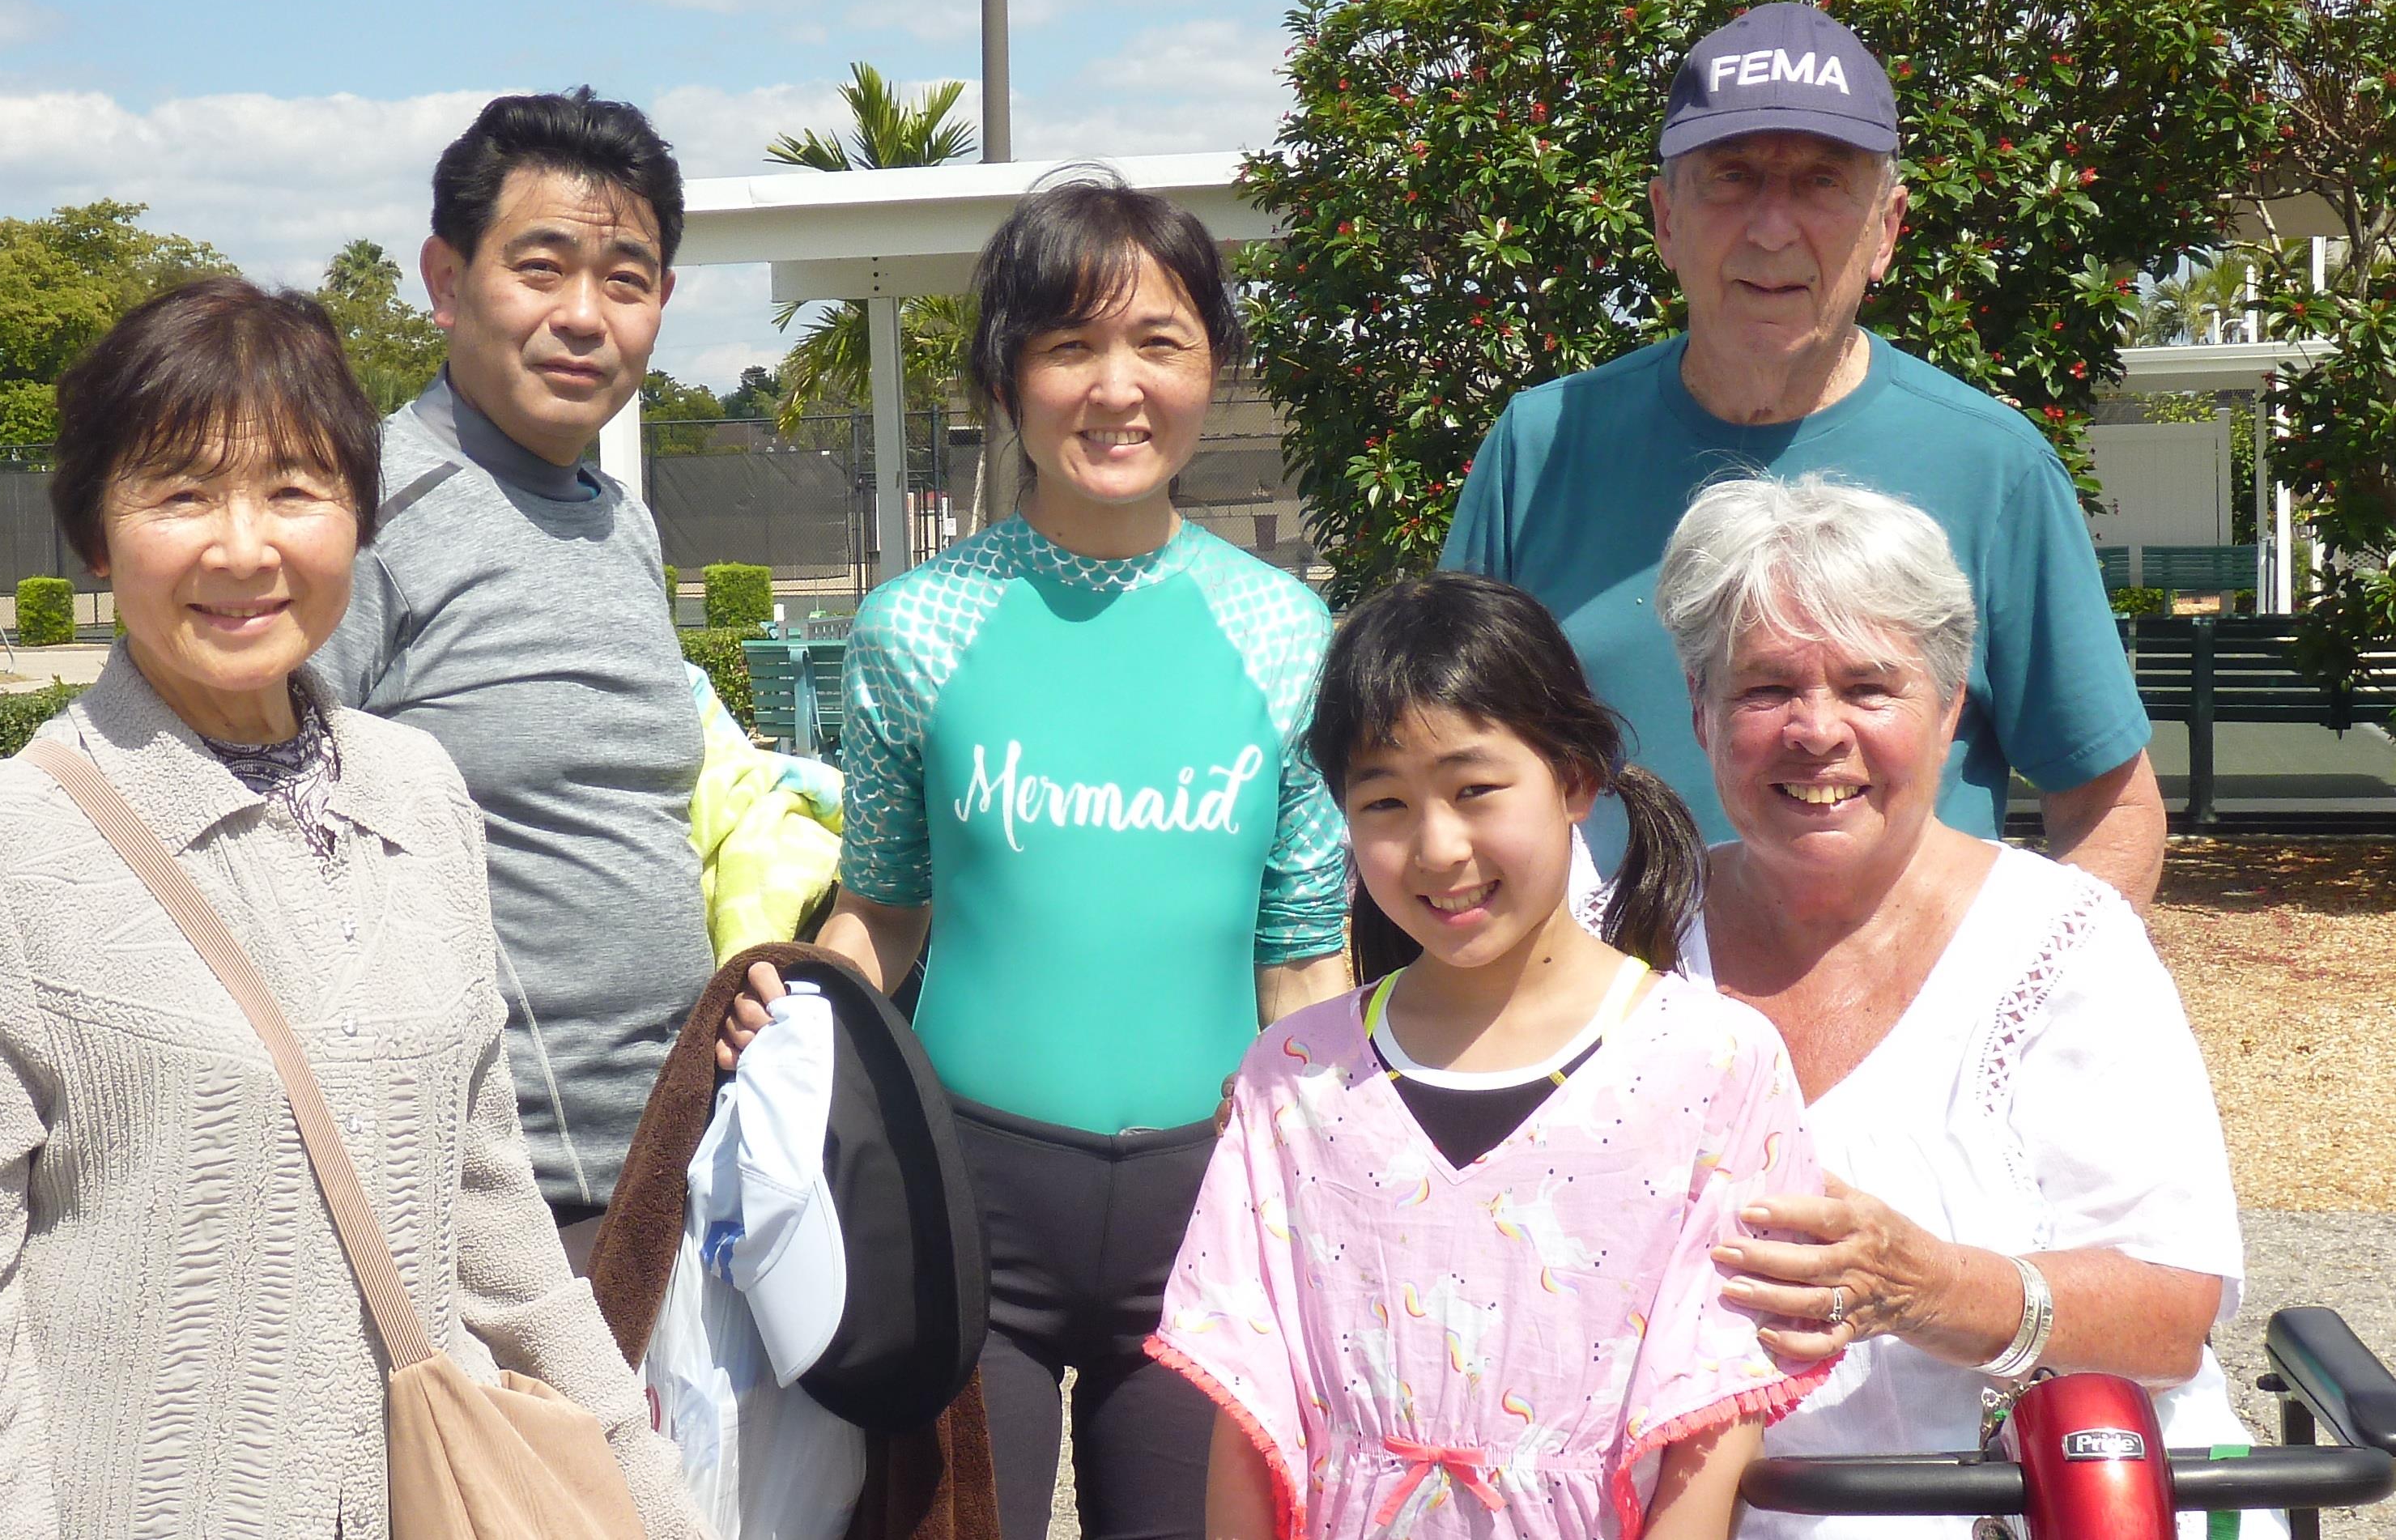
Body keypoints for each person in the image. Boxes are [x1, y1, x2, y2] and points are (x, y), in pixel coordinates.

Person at [0, 279, 703, 1540]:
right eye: (181, 490)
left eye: (295, 488)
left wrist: (650, 1498)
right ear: (96, 530)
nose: (243, 546)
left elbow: (492, 1210)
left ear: (358, 519)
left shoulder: (418, 790)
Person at [726, 169, 1353, 1540]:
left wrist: (1342, 1202)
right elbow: (882, 910)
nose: (1113, 387)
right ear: (1006, 378)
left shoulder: (1287, 634)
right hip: (966, 1221)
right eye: (1068, 344)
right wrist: (789, 1015)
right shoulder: (914, 626)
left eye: (1157, 343)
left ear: (1211, 367)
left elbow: (1302, 963)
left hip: (1210, 1216)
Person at [1155, 572, 1836, 1540]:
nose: (1436, 846)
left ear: (1573, 778)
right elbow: (1248, 1410)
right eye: (1383, 802)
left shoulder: (1713, 1064)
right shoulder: (1293, 1076)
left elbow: (1715, 1413)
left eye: (1474, 789)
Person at [1439, 2, 2164, 904]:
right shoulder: (1539, 448)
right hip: (1611, 1027)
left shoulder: (1994, 466)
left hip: (1902, 1025)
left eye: (1822, 182)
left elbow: (2107, 805)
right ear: (1664, 217)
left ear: (1886, 229)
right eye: (1731, 176)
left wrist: (2017, 1002)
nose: (1772, 228)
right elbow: (1445, 764)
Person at [1653, 474, 2267, 1540]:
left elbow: (2168, 1312)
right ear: (1698, 711)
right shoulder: (1631, 941)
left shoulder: (2061, 941)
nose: (1814, 730)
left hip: (2033, 1507)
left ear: (1947, 711)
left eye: (1866, 684)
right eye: (1763, 687)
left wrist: (1921, 1283)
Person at [311, 87, 710, 1274]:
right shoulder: (360, 517)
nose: (583, 317)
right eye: (540, 268)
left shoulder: (618, 520)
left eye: (625, 279)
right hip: (486, 1205)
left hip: (670, 1162)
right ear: (445, 280)